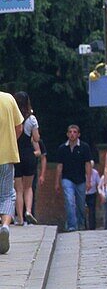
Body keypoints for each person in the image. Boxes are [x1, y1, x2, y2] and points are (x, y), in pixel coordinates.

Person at [53, 124, 93, 232]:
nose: (72, 134)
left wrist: (89, 180)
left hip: (81, 179)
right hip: (67, 179)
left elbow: (88, 164)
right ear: (67, 134)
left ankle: (81, 223)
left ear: (78, 134)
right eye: (70, 132)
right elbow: (59, 166)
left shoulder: (84, 147)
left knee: (80, 204)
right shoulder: (62, 148)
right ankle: (72, 225)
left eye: (75, 132)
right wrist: (57, 182)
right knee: (69, 201)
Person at [12, 92, 39, 226]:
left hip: (16, 154)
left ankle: (20, 218)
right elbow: (36, 138)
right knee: (28, 187)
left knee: (18, 189)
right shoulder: (31, 119)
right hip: (28, 154)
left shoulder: (13, 118)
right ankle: (29, 211)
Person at [0, 91, 22, 254]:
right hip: (7, 155)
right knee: (7, 194)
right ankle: (6, 225)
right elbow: (19, 127)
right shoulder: (8, 99)